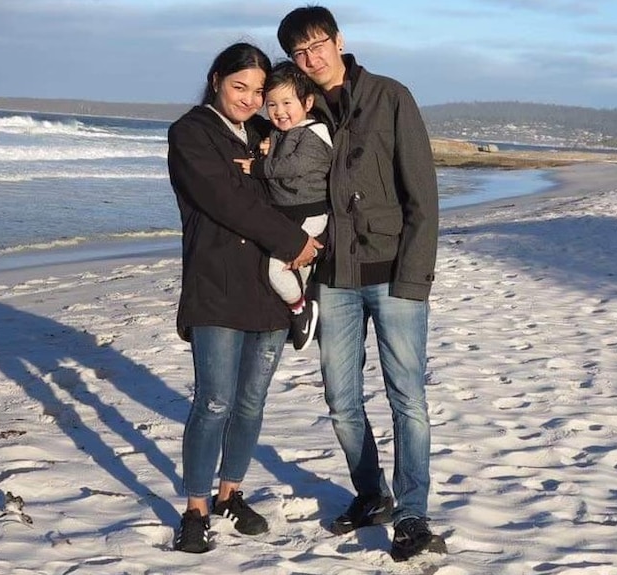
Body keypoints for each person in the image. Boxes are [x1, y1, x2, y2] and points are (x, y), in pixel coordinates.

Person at [278, 6, 445, 562]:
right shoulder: (298, 110)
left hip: (394, 275)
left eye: (317, 45)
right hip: (334, 280)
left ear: (337, 40)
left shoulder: (390, 96)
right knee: (341, 400)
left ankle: (413, 514)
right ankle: (373, 495)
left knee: (408, 400)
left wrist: (415, 278)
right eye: (299, 53)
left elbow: (422, 194)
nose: (311, 58)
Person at [167, 42, 323, 554]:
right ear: (216, 80)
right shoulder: (190, 134)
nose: (251, 100)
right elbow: (226, 200)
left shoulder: (264, 134)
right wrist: (294, 242)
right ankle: (196, 508)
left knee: (251, 402)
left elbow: (300, 181)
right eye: (241, 87)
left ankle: (230, 492)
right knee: (213, 401)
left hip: (271, 291)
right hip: (215, 285)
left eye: (258, 91)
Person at [234, 60, 333, 352]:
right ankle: (301, 309)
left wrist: (260, 167)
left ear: (308, 102)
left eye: (287, 103)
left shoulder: (315, 133)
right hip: (289, 212)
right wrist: (268, 145)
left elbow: (295, 166)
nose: (279, 112)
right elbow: (280, 152)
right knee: (294, 268)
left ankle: (301, 309)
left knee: (276, 270)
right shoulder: (281, 132)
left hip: (309, 212)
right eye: (272, 105)